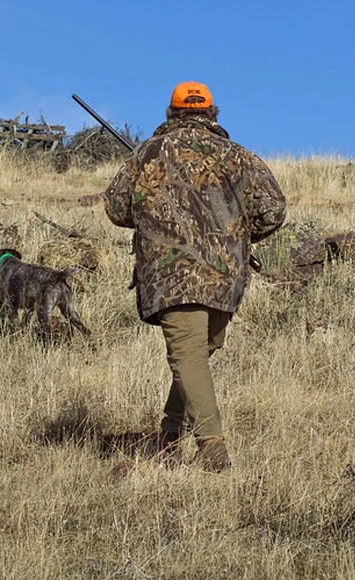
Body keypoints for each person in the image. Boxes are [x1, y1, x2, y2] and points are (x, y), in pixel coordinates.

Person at [103, 81, 287, 472]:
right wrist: (238, 232)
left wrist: (155, 206)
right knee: (195, 357)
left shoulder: (148, 154)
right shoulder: (239, 157)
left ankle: (212, 448)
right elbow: (273, 210)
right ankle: (169, 441)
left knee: (191, 358)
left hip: (171, 273)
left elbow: (116, 209)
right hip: (225, 276)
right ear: (211, 113)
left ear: (171, 112)